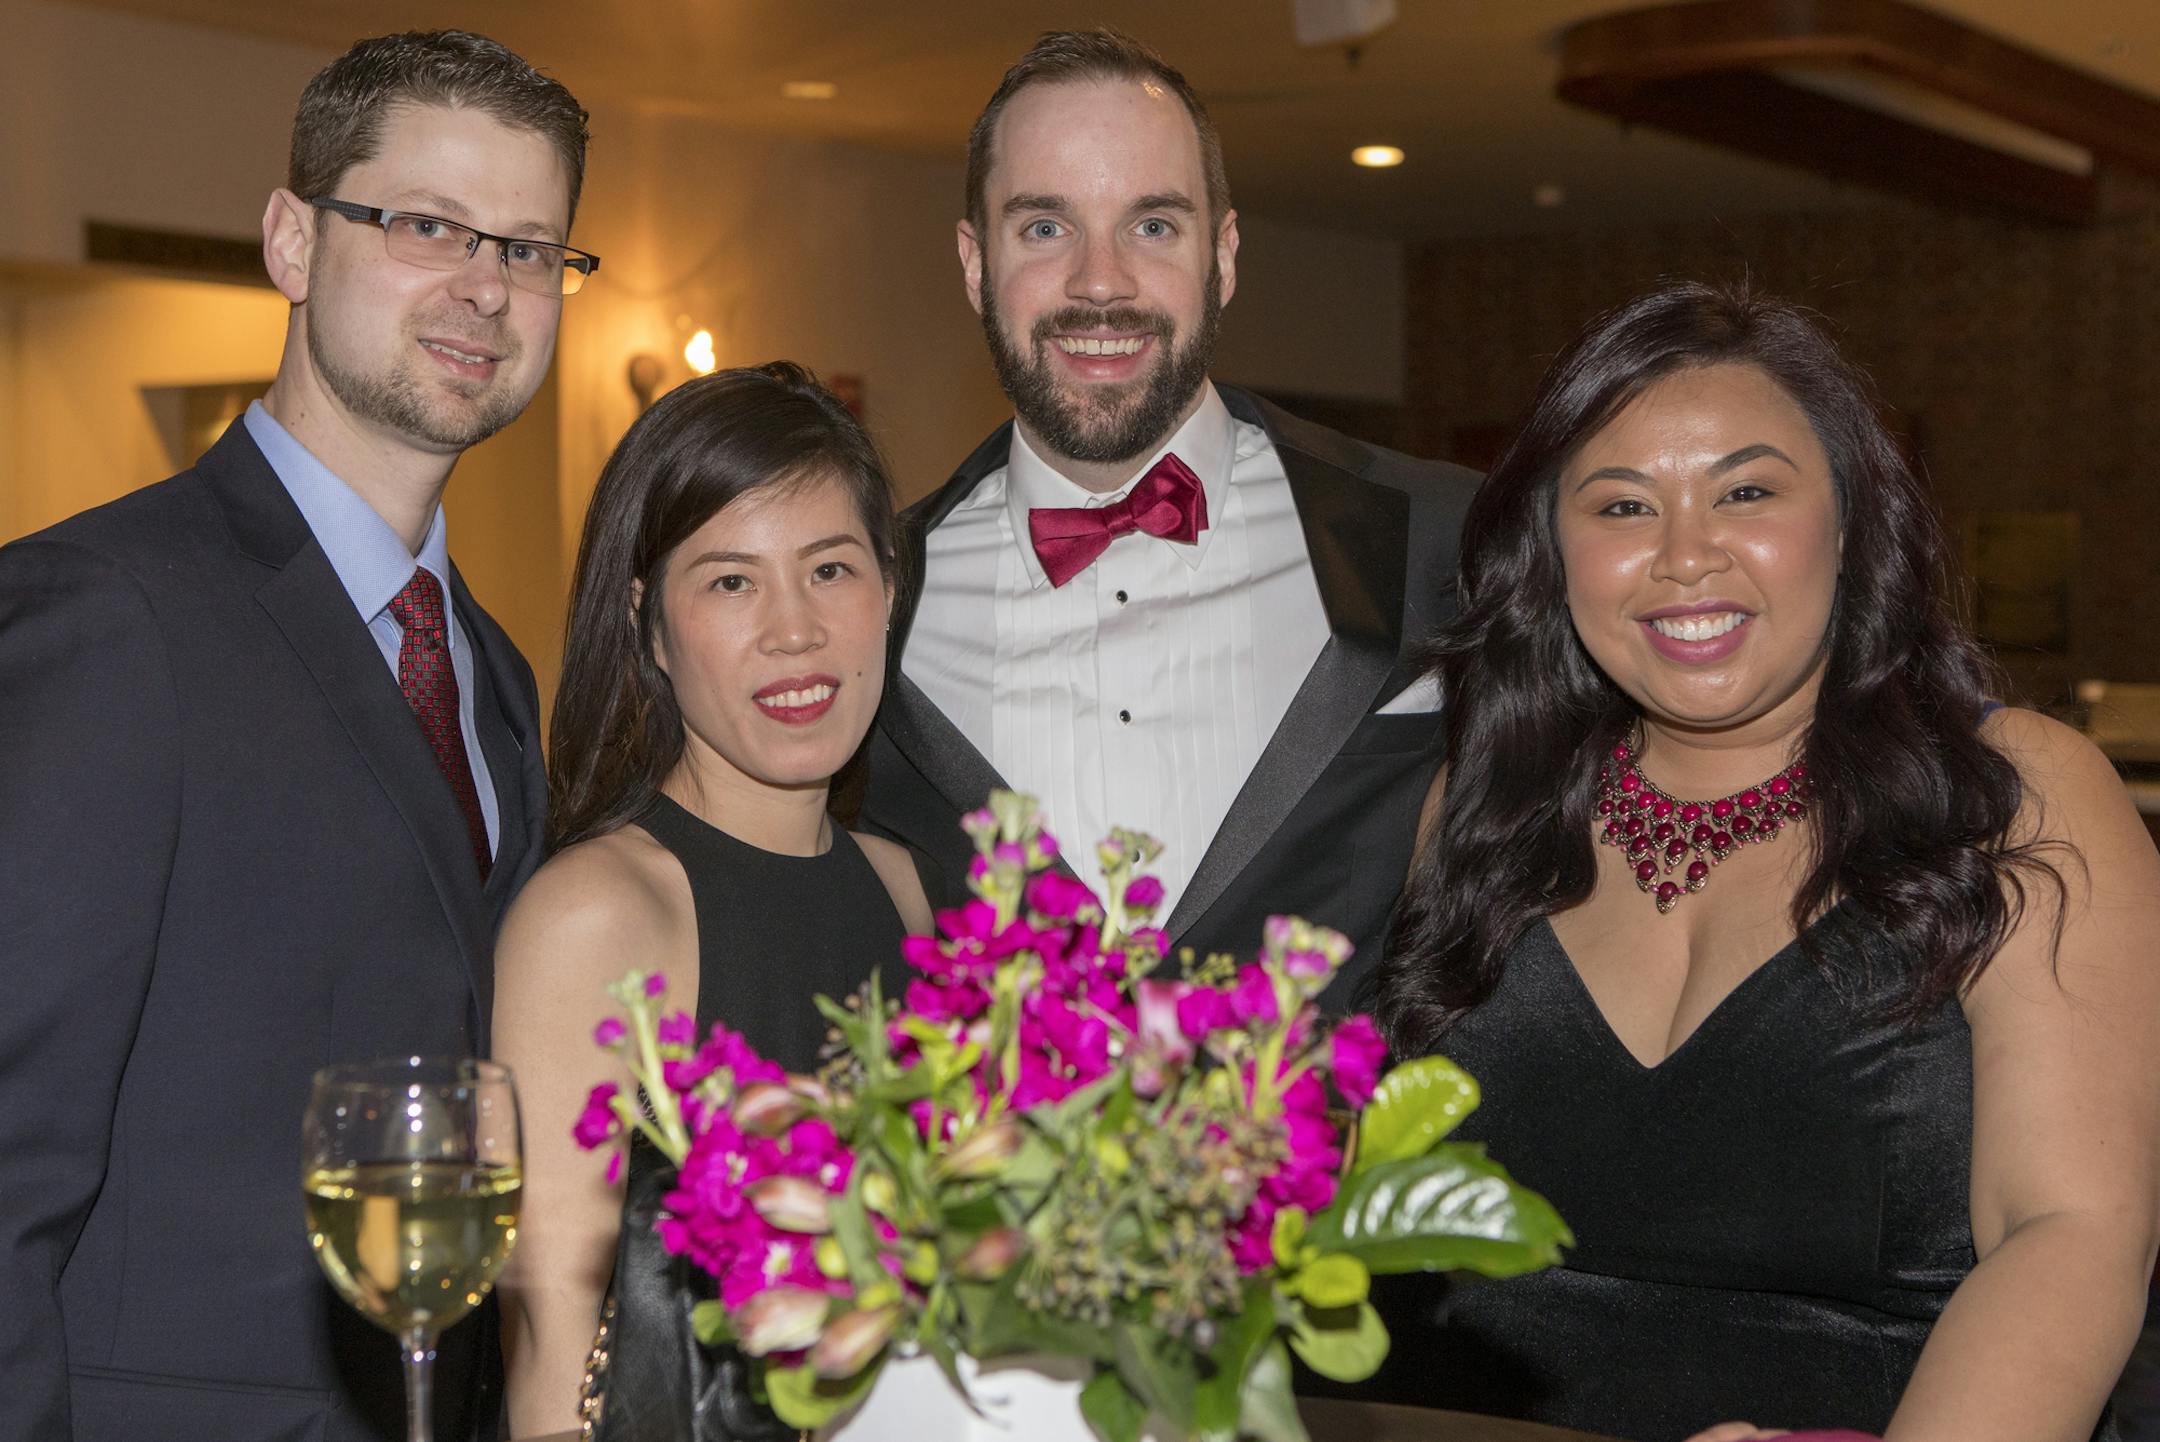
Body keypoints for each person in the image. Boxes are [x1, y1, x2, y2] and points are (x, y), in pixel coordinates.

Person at [1368, 281, 2160, 1441]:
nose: (1687, 555)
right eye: (1623, 505)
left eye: (1746, 491)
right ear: (1554, 549)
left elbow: (2071, 1234)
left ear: (1849, 523)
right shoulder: (1482, 801)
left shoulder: (2012, 793)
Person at [0, 32, 592, 1442]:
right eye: (423, 224)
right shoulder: (107, 616)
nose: (483, 286)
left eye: (529, 248)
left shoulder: (496, 670)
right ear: (289, 239)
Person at [859, 29, 1478, 985]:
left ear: (1222, 255)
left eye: (1152, 225)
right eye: (1045, 228)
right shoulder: (867, 607)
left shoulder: (1445, 536)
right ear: (976, 264)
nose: (1100, 283)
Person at [491, 364, 932, 1439]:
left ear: (888, 588)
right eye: (731, 581)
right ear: (648, 627)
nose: (796, 630)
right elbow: (559, 1365)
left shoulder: (902, 885)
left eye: (830, 568)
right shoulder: (599, 912)